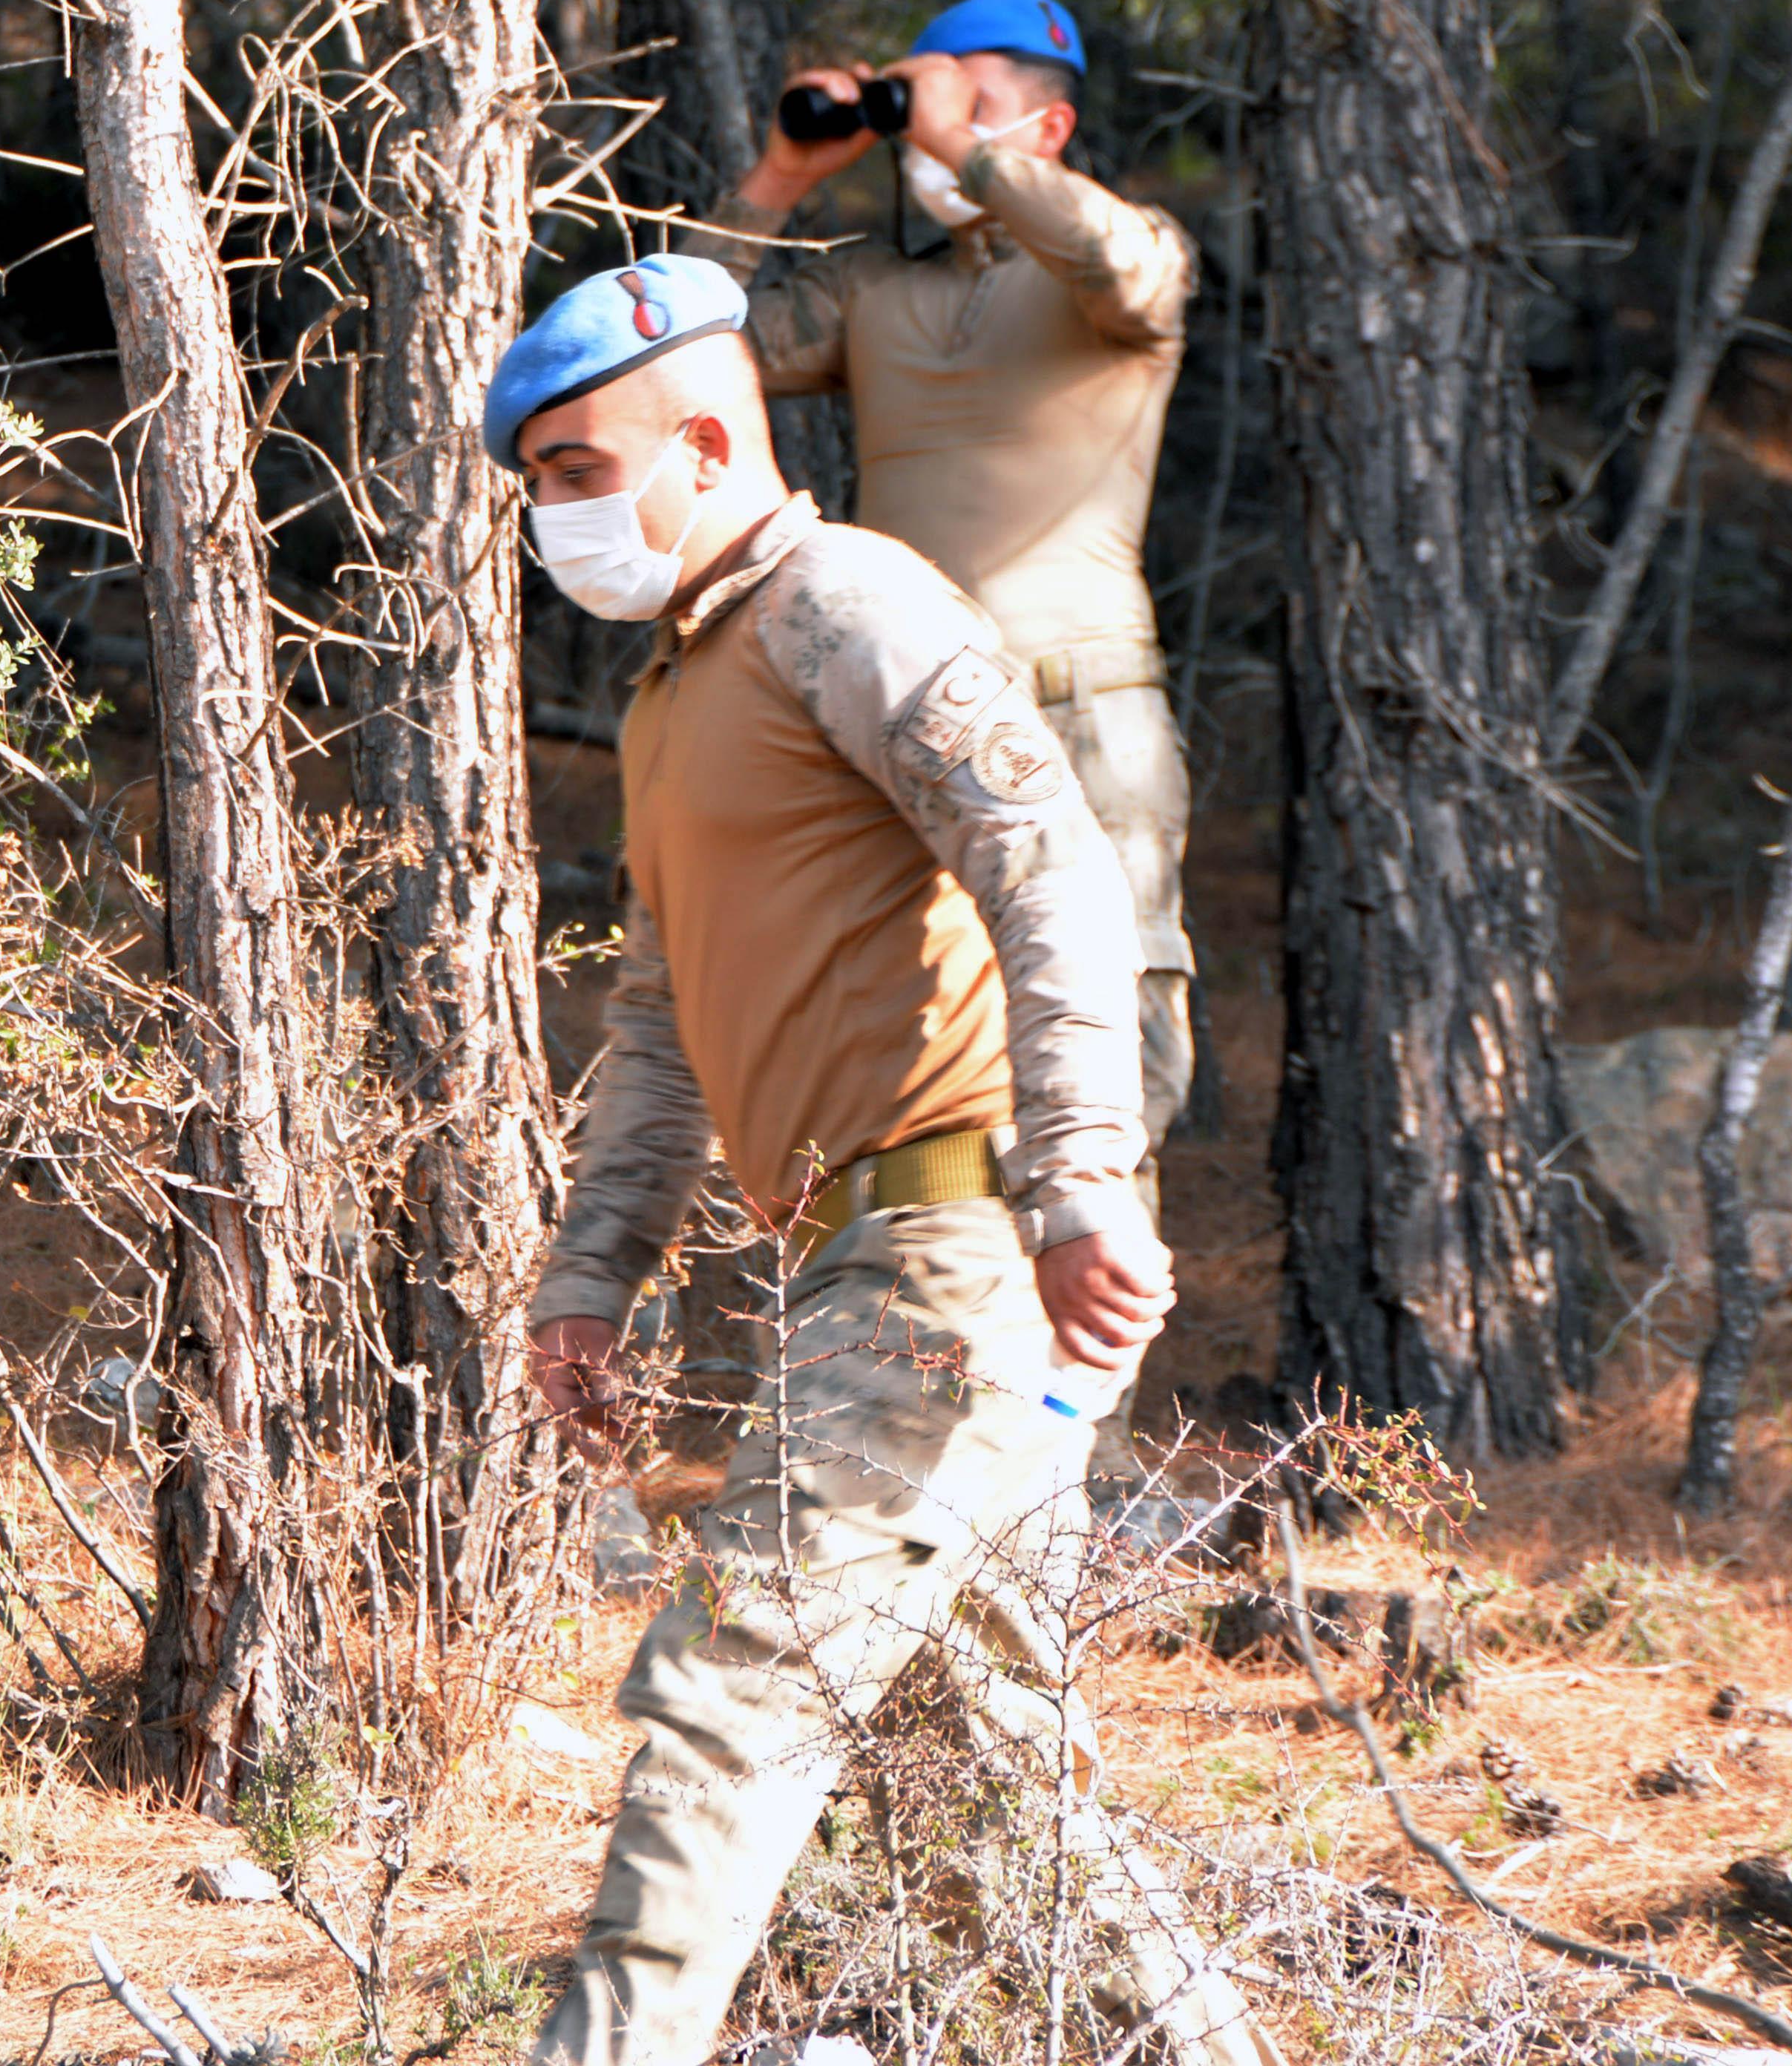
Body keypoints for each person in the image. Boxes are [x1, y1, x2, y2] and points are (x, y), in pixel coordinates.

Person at [489, 255, 1271, 2066]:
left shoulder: (845, 601)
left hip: (954, 1249)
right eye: (535, 484)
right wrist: (590, 1279)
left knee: (734, 1688)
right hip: (868, 1254)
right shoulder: (683, 689)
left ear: (704, 441)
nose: (556, 517)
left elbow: (1051, 863)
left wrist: (1083, 1179)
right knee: (995, 1776)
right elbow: (666, 1016)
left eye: (579, 469)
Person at [677, 0, 1204, 1151]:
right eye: (921, 102)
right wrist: (776, 181)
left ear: (1048, 134)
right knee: (919, 1041)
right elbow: (682, 354)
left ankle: (1098, 1288)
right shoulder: (875, 290)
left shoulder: (1131, 267)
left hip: (1080, 714)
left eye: (977, 104)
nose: (931, 131)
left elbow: (1114, 262)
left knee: (1108, 1044)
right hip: (906, 724)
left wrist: (956, 136)